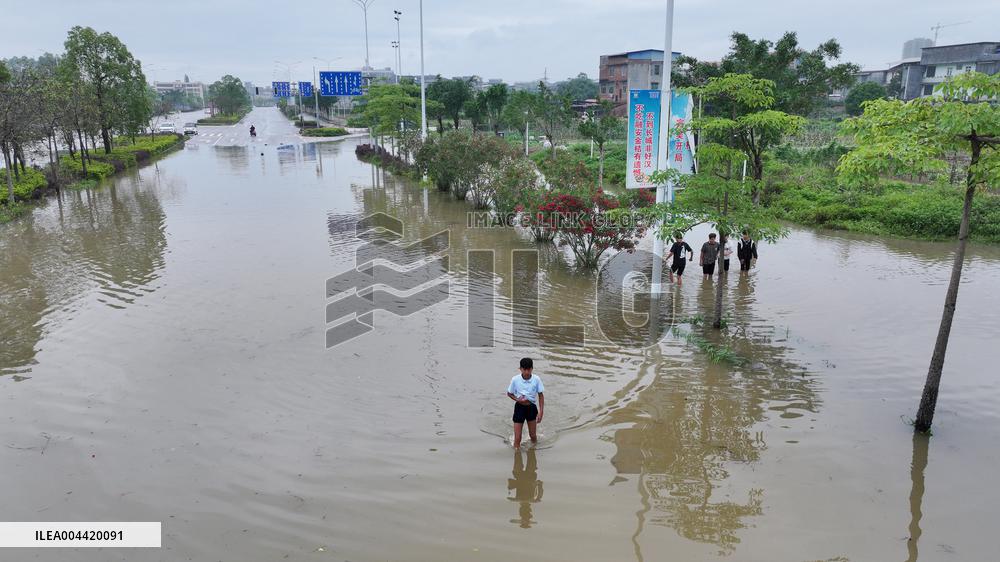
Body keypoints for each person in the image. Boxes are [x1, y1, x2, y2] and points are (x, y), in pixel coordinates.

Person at [507, 357, 544, 449]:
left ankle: (533, 450)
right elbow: (509, 393)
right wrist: (517, 399)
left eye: (529, 369)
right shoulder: (515, 379)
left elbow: (540, 395)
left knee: (533, 436)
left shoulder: (536, 379)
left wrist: (541, 412)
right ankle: (517, 457)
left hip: (531, 408)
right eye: (524, 370)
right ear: (520, 369)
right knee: (517, 439)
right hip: (519, 408)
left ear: (532, 369)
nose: (527, 372)